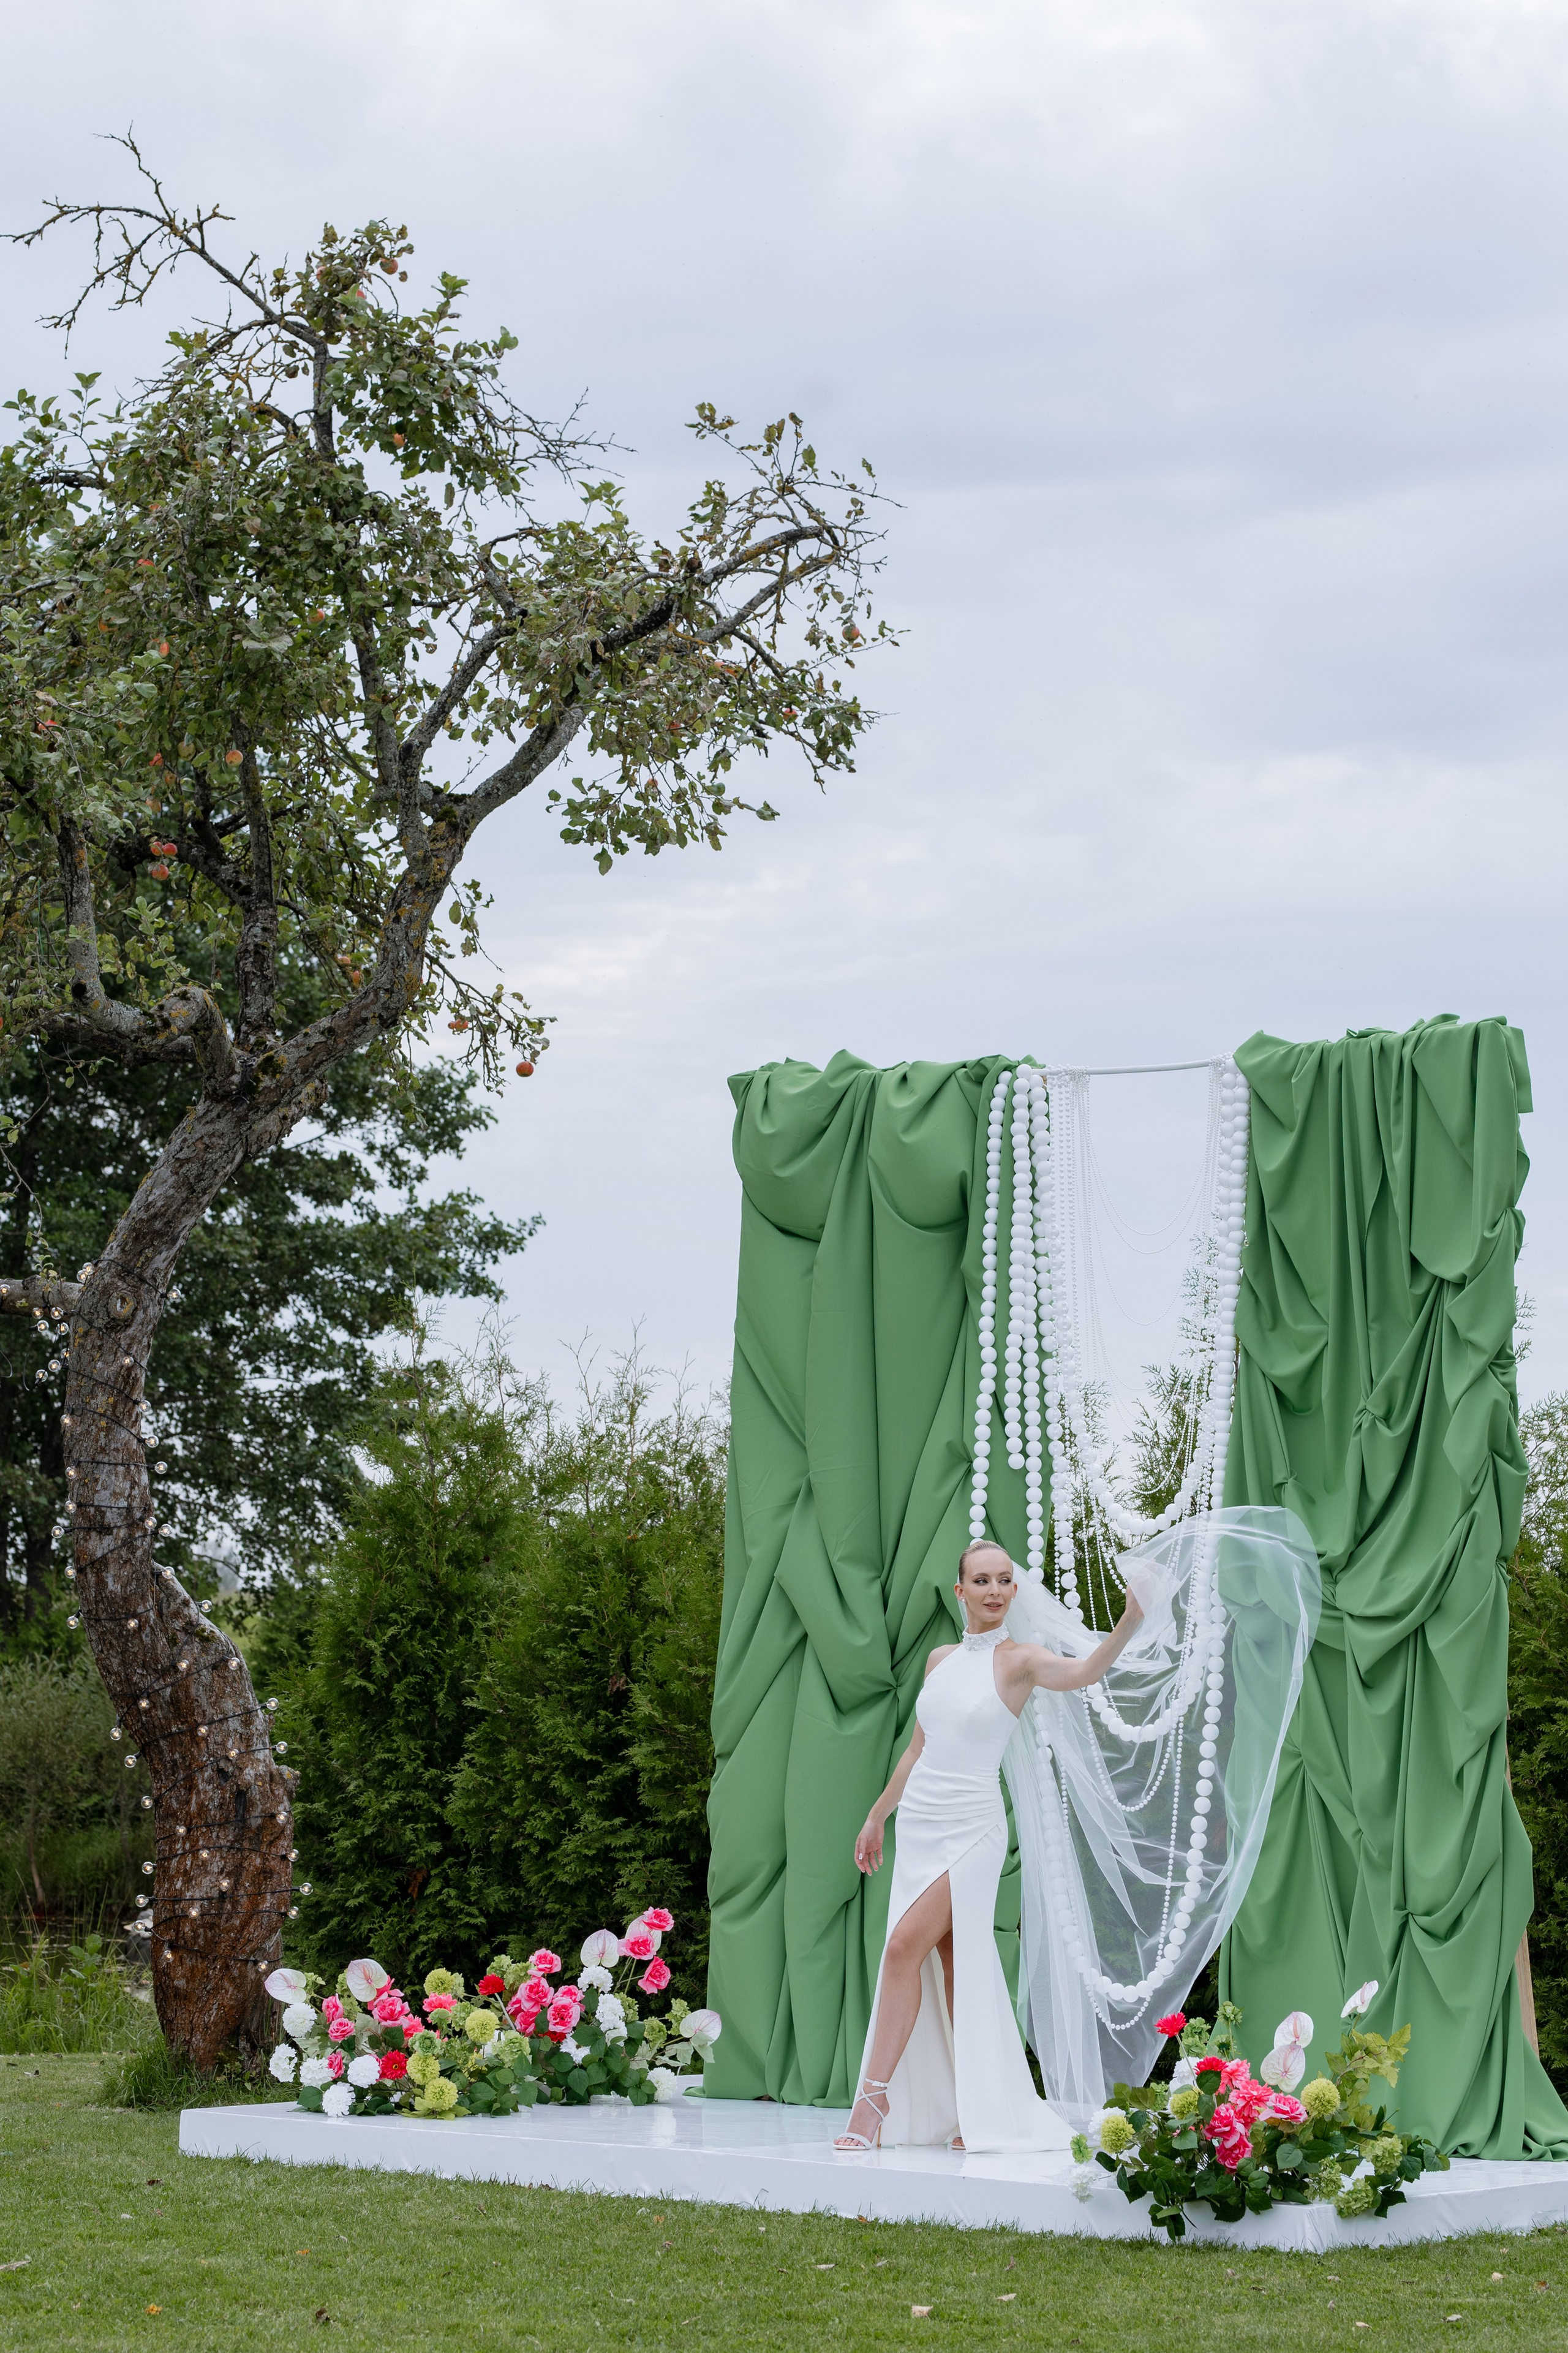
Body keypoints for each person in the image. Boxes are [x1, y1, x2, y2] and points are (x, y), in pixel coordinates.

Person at [833, 1537, 1143, 2155]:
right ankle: (971, 2110)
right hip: (920, 1821)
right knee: (952, 1964)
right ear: (960, 1590)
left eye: (1004, 1579)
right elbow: (919, 1749)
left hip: (972, 1828)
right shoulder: (940, 1659)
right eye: (982, 1580)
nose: (995, 1590)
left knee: (901, 1947)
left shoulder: (1020, 1661)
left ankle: (872, 2101)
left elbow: (1085, 1672)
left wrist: (1130, 1619)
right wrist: (876, 1816)